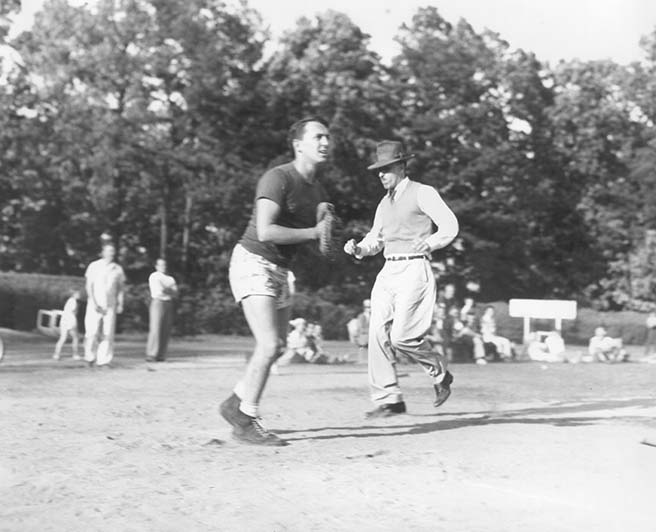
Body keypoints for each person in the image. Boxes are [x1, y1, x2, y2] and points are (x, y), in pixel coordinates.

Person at [220, 117, 332, 446]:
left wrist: (335, 236)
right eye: (317, 137)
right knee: (268, 344)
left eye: (328, 136)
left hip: (280, 269)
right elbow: (267, 230)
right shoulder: (278, 177)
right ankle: (245, 420)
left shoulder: (319, 191)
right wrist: (314, 232)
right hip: (253, 260)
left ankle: (234, 404)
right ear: (298, 144)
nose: (325, 142)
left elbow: (324, 232)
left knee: (279, 347)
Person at [344, 140, 459, 417]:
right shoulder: (384, 203)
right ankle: (389, 398)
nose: (381, 175)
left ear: (402, 166)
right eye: (378, 171)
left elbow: (450, 225)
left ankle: (440, 373)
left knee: (402, 337)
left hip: (414, 268)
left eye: (386, 169)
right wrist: (359, 248)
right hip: (389, 270)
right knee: (376, 333)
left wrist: (431, 243)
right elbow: (376, 239)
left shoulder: (423, 193)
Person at [84, 243, 126, 367]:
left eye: (113, 251)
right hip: (94, 304)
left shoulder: (117, 269)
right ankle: (90, 357)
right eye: (109, 251)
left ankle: (104, 360)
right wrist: (94, 302)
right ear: (103, 252)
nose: (111, 253)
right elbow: (89, 285)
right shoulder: (94, 266)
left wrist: (120, 303)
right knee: (91, 332)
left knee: (108, 333)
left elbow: (121, 289)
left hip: (110, 304)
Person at [146, 258, 178, 362]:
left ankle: (161, 354)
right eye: (160, 265)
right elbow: (160, 291)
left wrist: (167, 289)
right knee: (156, 328)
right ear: (156, 266)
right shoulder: (154, 276)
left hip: (168, 303)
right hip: (158, 302)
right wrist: (169, 289)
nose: (163, 267)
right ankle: (151, 354)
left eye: (164, 265)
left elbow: (175, 293)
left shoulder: (170, 278)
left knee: (166, 329)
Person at [53, 290, 81, 361]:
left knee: (63, 338)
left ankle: (56, 355)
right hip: (70, 321)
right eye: (78, 293)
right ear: (74, 294)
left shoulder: (69, 301)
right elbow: (73, 311)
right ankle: (75, 354)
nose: (80, 295)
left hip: (64, 321)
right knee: (76, 338)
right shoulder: (73, 301)